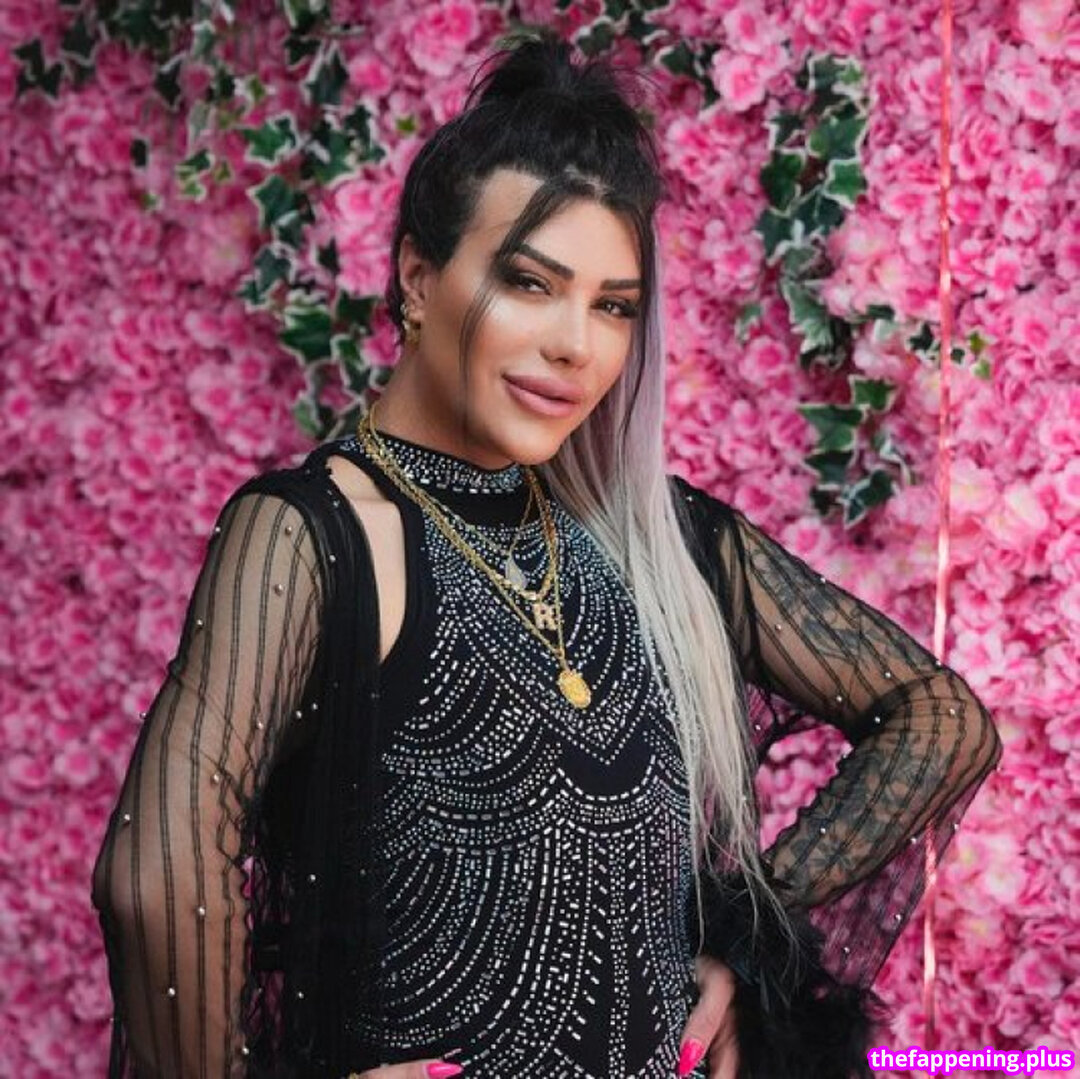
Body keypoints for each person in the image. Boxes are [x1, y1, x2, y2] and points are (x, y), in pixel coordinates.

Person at [91, 31, 1002, 1079]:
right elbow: (156, 877)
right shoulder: (319, 535)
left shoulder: (660, 542)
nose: (577, 344)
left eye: (613, 306)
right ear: (419, 277)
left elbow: (940, 721)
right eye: (530, 283)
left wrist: (743, 946)